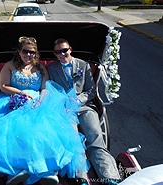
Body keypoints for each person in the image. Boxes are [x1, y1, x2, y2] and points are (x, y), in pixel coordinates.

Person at [0, 36, 90, 185]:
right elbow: (3, 85)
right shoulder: (10, 66)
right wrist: (19, 93)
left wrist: (41, 101)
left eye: (32, 52)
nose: (28, 55)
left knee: (44, 131)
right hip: (13, 98)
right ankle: (15, 172)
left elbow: (45, 87)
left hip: (38, 101)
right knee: (11, 131)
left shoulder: (40, 67)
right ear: (19, 51)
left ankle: (48, 170)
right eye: (25, 51)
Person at [47, 38, 121, 185]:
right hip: (65, 109)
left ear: (70, 49)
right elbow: (51, 90)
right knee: (74, 140)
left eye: (64, 50)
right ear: (55, 54)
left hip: (84, 107)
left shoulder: (83, 64)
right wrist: (64, 102)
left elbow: (91, 90)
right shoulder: (51, 68)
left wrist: (79, 99)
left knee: (95, 137)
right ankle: (81, 176)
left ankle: (109, 176)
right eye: (58, 52)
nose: (62, 54)